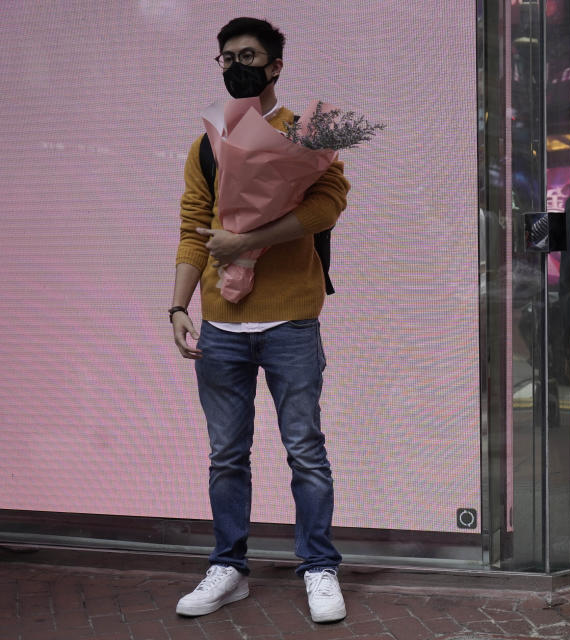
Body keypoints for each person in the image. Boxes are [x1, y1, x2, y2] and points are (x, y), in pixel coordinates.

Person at [169, 17, 350, 623]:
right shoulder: (207, 141)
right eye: (225, 57)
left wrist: (248, 240)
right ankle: (229, 568)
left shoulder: (306, 133)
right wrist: (178, 305)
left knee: (305, 449)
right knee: (226, 455)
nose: (235, 65)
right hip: (221, 324)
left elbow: (327, 206)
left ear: (275, 66)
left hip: (291, 321)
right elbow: (194, 224)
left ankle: (319, 567)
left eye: (247, 55)